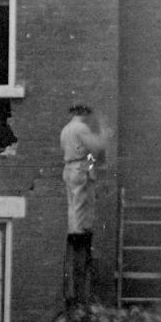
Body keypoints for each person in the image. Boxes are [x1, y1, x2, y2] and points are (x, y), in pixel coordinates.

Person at [60, 104, 111, 302]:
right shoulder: (80, 128)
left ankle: (76, 230)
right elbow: (96, 147)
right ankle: (79, 232)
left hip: (69, 168)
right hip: (79, 169)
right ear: (83, 114)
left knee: (73, 205)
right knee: (81, 204)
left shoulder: (66, 129)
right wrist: (105, 135)